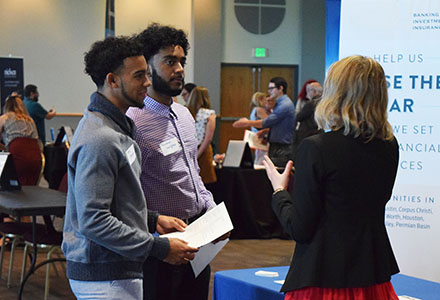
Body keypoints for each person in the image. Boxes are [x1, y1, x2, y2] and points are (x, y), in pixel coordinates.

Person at [62, 36, 198, 300]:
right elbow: (94, 220)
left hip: (117, 269)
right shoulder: (101, 138)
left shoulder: (116, 127)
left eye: (147, 74)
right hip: (104, 273)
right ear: (112, 80)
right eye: (139, 76)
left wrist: (153, 219)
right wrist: (158, 248)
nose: (148, 82)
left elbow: (117, 201)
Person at [263, 55, 400, 300]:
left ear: (336, 93)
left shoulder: (317, 148)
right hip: (372, 278)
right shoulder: (389, 145)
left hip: (322, 279)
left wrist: (279, 192)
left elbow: (300, 228)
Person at [127, 23, 228, 300]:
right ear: (147, 66)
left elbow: (193, 174)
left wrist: (211, 209)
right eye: (170, 61)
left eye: (182, 61)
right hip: (160, 244)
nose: (180, 69)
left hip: (198, 237)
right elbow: (126, 194)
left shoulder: (184, 115)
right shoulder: (133, 122)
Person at [233, 77, 296, 167]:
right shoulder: (279, 104)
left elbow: (267, 122)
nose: (269, 91)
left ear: (281, 88)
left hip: (282, 147)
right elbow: (276, 124)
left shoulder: (285, 105)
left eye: (271, 88)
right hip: (277, 146)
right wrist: (265, 132)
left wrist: (247, 122)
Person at [186, 86, 217, 184]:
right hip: (203, 151)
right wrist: (198, 154)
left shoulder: (186, 112)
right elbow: (208, 139)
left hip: (189, 149)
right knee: (205, 183)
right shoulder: (209, 114)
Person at [293, 81, 323, 160]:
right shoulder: (323, 103)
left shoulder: (311, 104)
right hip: (318, 134)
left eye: (309, 90)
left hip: (306, 134)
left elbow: (299, 117)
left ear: (314, 92)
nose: (307, 94)